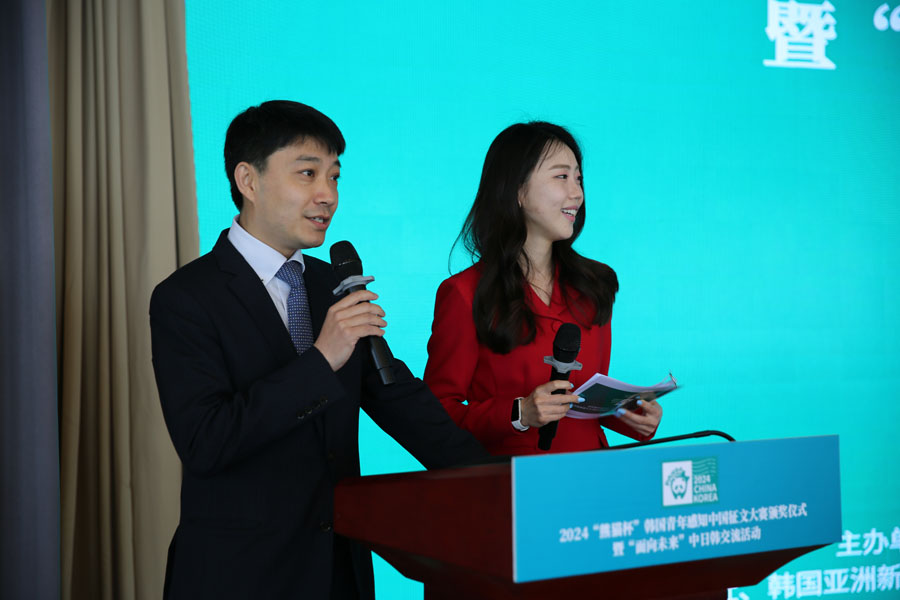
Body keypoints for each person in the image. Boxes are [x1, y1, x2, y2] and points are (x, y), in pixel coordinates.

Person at [149, 100, 487, 600]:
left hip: (338, 571)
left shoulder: (333, 284)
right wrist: (322, 359)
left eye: (334, 177)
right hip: (240, 576)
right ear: (248, 180)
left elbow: (399, 399)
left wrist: (503, 480)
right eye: (308, 174)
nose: (327, 195)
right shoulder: (186, 297)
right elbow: (207, 442)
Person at [424, 122, 662, 456]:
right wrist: (519, 413)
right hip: (512, 478)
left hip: (592, 472)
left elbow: (581, 395)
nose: (577, 194)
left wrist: (627, 414)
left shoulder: (595, 285)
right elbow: (435, 416)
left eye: (578, 179)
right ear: (517, 190)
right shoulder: (464, 293)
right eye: (561, 177)